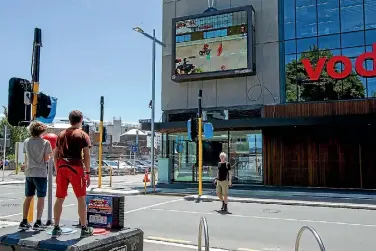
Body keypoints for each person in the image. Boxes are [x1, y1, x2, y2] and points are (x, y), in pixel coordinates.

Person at [51, 110, 93, 238]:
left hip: (62, 166)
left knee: (59, 198)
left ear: (70, 120)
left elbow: (55, 154)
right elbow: (87, 155)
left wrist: (57, 169)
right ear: (81, 120)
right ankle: (84, 227)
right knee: (81, 198)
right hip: (76, 167)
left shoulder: (61, 134)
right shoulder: (83, 135)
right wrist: (88, 172)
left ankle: (56, 227)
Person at [19, 121, 52, 230]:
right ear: (42, 131)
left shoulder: (26, 141)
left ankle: (24, 221)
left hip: (29, 172)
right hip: (40, 172)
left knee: (28, 197)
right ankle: (38, 221)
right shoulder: (46, 142)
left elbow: (26, 157)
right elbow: (46, 158)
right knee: (41, 197)